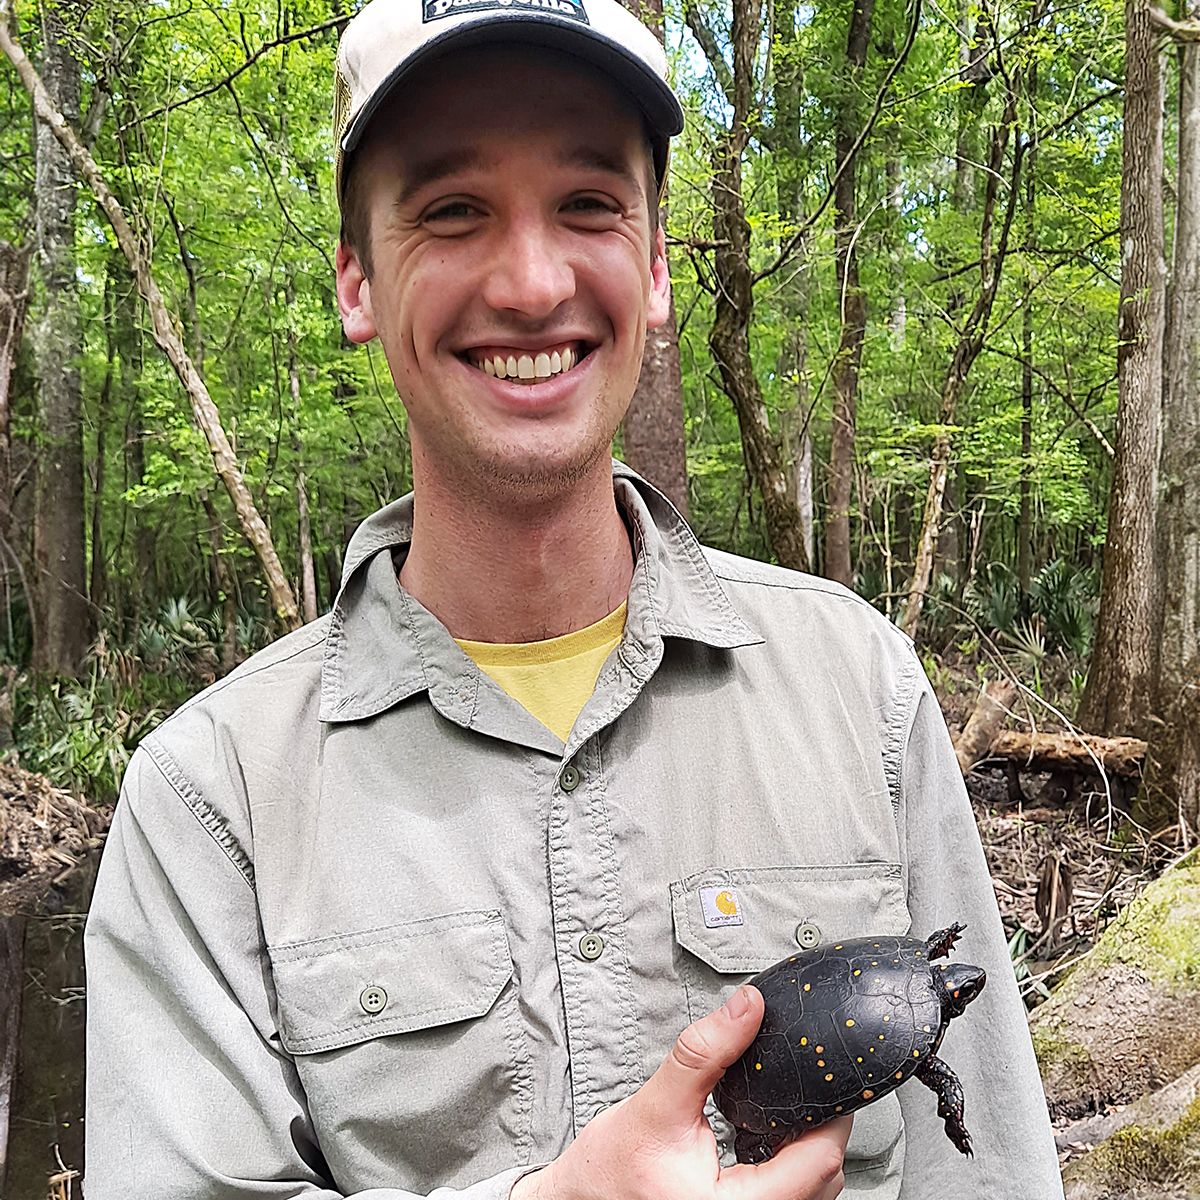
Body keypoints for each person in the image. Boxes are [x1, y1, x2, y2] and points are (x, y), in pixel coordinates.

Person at [82, 0, 1064, 1196]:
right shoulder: (211, 801)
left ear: (654, 268)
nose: (534, 281)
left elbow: (996, 1169)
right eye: (452, 211)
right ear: (355, 280)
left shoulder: (857, 691)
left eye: (589, 205)